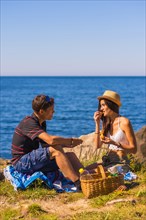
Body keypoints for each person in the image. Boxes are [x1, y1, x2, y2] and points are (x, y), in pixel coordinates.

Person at [11, 94, 83, 190]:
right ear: (41, 111)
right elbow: (50, 140)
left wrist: (64, 145)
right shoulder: (29, 122)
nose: (54, 111)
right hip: (21, 163)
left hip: (32, 160)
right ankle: (78, 183)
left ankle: (86, 178)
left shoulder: (41, 122)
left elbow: (45, 144)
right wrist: (70, 141)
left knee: (70, 156)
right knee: (56, 150)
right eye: (51, 110)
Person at [88, 90, 137, 170]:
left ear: (111, 105)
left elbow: (134, 149)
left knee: (93, 173)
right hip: (108, 160)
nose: (101, 109)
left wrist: (114, 143)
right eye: (100, 106)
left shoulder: (124, 122)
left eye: (103, 105)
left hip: (121, 162)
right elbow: (97, 146)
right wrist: (97, 123)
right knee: (84, 171)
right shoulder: (107, 123)